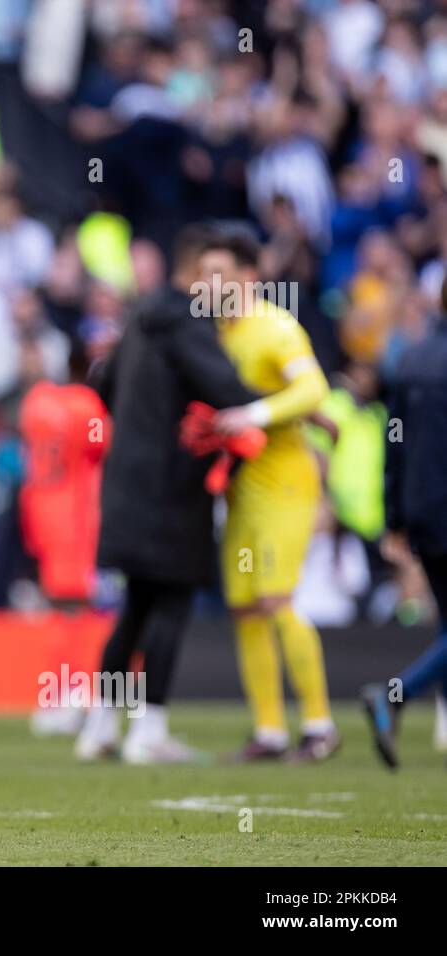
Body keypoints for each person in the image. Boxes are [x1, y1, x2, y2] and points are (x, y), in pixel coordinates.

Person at [75, 223, 258, 765]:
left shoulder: (141, 319)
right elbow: (227, 391)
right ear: (199, 270)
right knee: (171, 602)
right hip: (173, 489)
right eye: (217, 273)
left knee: (136, 604)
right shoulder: (188, 320)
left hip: (126, 483)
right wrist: (282, 406)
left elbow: (102, 386)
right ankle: (148, 732)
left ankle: (101, 729)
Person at [199, 227, 339, 762]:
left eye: (220, 273)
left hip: (283, 483)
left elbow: (313, 388)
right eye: (205, 274)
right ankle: (271, 732)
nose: (209, 283)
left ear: (249, 277)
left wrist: (253, 414)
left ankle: (322, 726)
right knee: (246, 608)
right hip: (241, 488)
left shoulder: (275, 327)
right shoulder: (219, 332)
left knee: (277, 600)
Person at [361, 297, 447, 769]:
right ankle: (394, 696)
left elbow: (392, 439)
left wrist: (393, 514)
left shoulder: (411, 359)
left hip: (421, 511)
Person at [19, 340, 109, 736]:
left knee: (59, 604)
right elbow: (104, 445)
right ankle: (63, 695)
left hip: (39, 509)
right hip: (74, 515)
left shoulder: (36, 402)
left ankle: (61, 693)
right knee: (73, 608)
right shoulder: (86, 406)